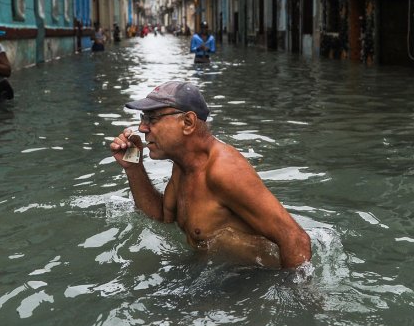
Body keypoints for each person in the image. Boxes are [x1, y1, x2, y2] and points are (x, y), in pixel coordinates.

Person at [109, 81, 312, 269]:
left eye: (151, 118)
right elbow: (162, 216)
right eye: (143, 118)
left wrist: (294, 299)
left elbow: (295, 239)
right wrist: (133, 167)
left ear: (188, 122)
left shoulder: (224, 171)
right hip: (216, 271)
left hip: (253, 281)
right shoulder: (182, 165)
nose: (142, 128)